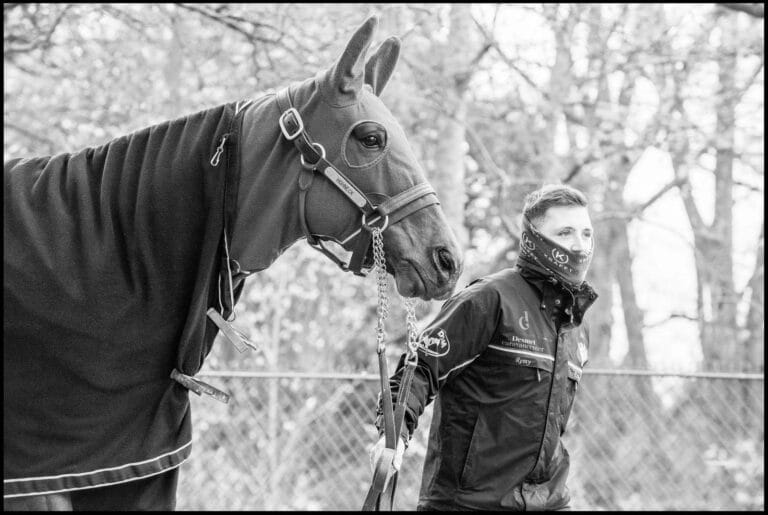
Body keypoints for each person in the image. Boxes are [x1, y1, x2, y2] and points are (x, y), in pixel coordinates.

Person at [370, 183, 598, 511]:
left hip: (550, 501)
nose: (579, 246)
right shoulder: (490, 299)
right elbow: (420, 367)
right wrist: (394, 434)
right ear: (534, 239)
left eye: (586, 234)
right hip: (469, 502)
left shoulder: (576, 323)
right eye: (565, 233)